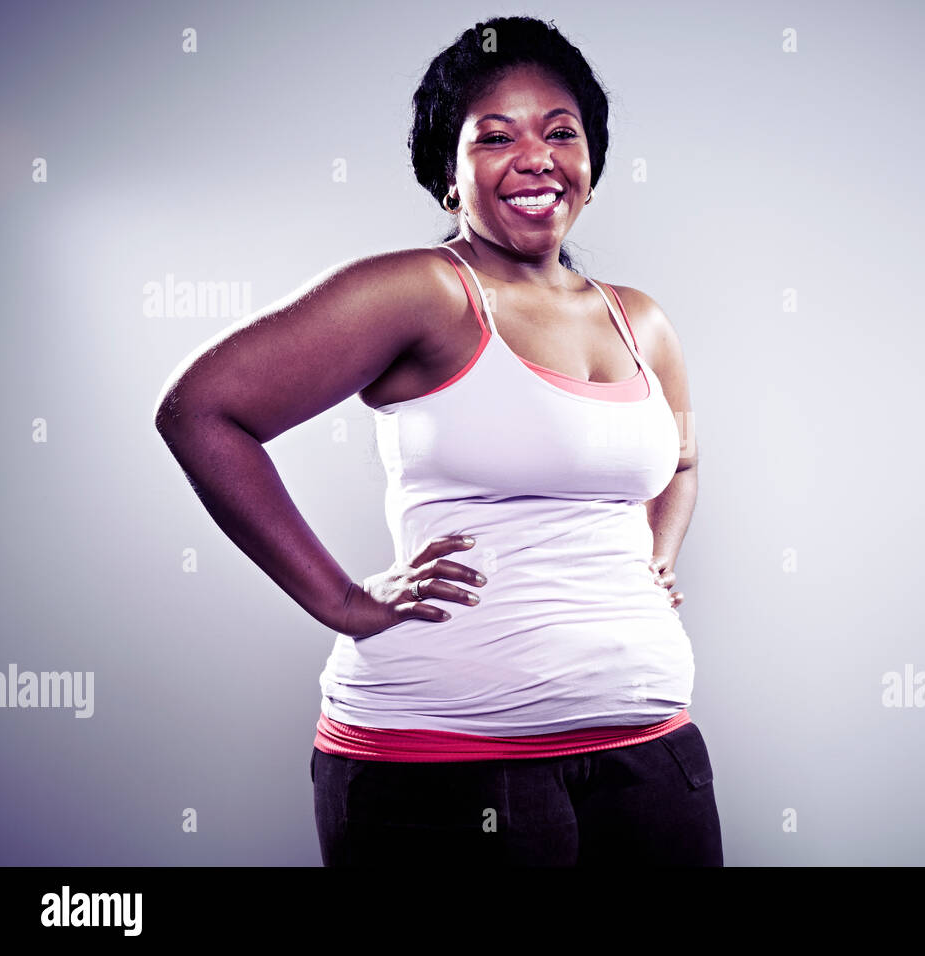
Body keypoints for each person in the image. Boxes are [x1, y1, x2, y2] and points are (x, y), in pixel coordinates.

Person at [152, 16, 722, 866]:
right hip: (443, 772)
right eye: (495, 136)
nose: (535, 156)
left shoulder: (639, 319)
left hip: (650, 758)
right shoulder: (425, 293)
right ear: (446, 176)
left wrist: (657, 556)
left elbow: (678, 457)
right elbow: (202, 409)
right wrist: (343, 602)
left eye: (559, 132)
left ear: (591, 166)